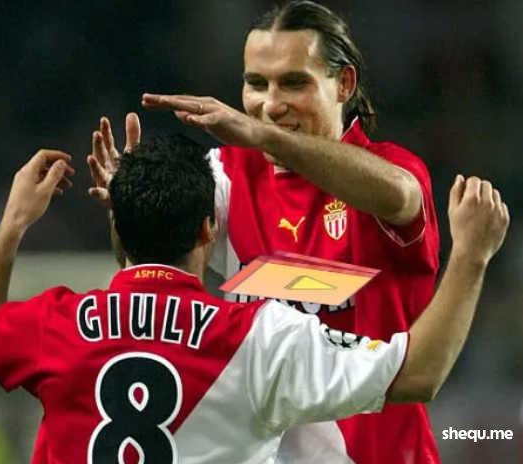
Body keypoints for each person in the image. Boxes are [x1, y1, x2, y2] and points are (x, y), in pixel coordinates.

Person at [0, 136, 508, 463]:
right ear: (208, 229)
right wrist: (471, 255)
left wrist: (13, 223)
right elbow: (419, 374)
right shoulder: (259, 336)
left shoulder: (57, 321)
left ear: (115, 226)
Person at [133, 1, 442, 462]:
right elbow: (155, 265)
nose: (271, 105)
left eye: (294, 83)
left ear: (344, 83)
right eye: (256, 84)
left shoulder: (391, 170)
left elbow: (399, 196)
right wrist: (131, 204)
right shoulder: (228, 174)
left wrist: (265, 136)